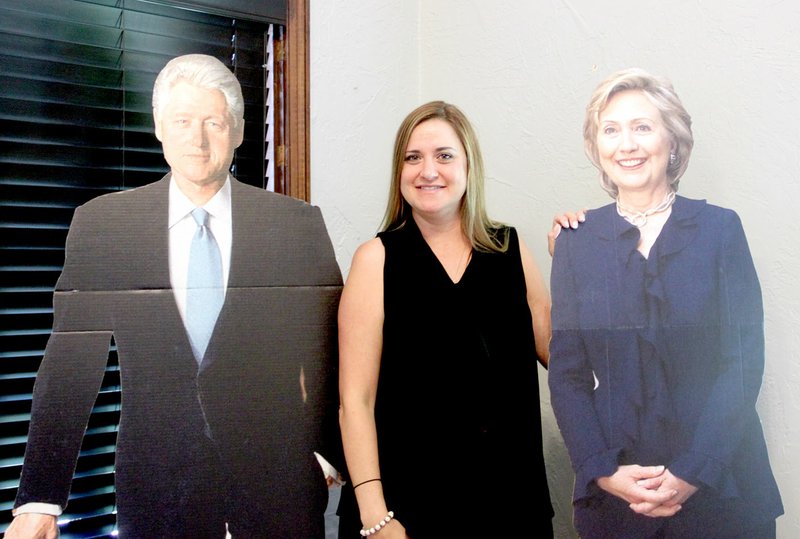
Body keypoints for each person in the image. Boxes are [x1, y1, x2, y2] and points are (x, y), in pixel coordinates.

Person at [6, 54, 342, 538]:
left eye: (213, 122)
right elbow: (70, 366)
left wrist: (328, 449)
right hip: (157, 493)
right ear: (160, 128)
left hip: (280, 491)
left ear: (239, 131)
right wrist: (39, 498)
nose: (198, 139)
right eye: (182, 121)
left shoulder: (295, 223)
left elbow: (331, 346)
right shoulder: (106, 225)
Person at [547, 67, 783, 538]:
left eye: (642, 127)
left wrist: (693, 472)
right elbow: (567, 374)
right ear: (597, 148)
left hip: (722, 487)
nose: (627, 144)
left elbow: (742, 363)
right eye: (610, 130)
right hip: (616, 494)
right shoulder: (575, 241)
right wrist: (602, 470)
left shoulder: (720, 230)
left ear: (672, 141)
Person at [337, 101, 554, 537]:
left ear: (469, 165)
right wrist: (376, 516)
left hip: (511, 508)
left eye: (444, 155)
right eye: (412, 157)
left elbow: (567, 359)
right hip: (407, 513)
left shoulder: (510, 250)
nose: (427, 171)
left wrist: (586, 260)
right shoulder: (375, 261)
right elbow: (354, 403)